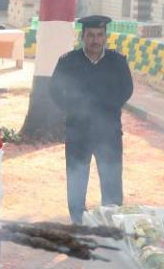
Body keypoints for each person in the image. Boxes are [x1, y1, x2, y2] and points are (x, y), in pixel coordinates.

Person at [50, 15, 133, 224]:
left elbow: (126, 89)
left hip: (109, 131)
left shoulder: (117, 61)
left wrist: (109, 108)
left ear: (105, 37)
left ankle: (111, 220)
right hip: (78, 131)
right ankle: (79, 221)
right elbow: (54, 90)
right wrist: (73, 109)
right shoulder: (68, 61)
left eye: (99, 35)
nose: (95, 40)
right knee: (77, 178)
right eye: (90, 35)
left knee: (111, 177)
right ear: (82, 36)